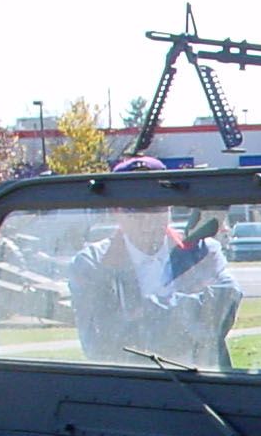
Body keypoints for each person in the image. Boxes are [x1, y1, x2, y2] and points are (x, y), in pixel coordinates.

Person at [68, 155, 241, 368]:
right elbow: (100, 342)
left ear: (169, 208)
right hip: (133, 382)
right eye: (136, 211)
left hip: (203, 380)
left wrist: (145, 312)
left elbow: (224, 307)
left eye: (156, 209)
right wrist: (188, 314)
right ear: (116, 211)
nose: (148, 221)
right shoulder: (92, 263)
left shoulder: (202, 251)